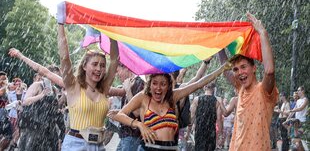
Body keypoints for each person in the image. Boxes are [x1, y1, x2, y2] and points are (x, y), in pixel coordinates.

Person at [111, 60, 230, 150]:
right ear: (150, 84)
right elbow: (119, 114)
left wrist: (222, 69)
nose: (158, 88)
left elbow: (199, 84)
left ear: (168, 86)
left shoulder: (173, 96)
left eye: (163, 84)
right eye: (155, 83)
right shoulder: (143, 97)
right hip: (148, 148)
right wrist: (139, 125)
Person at [218, 12, 279, 151]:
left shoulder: (264, 91)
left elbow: (269, 70)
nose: (240, 72)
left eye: (243, 67)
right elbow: (224, 66)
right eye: (236, 69)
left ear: (254, 68)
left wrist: (262, 33)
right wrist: (219, 45)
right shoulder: (240, 89)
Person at [58, 23, 119, 151]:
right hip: (75, 145)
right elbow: (64, 58)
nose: (99, 69)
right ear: (84, 66)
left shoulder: (104, 88)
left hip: (99, 146)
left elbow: (115, 59)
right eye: (95, 64)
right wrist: (60, 25)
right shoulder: (73, 86)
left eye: (102, 65)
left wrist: (112, 31)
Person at [17, 66, 66, 151]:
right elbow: (25, 101)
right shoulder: (37, 85)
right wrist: (41, 95)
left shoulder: (54, 90)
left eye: (58, 76)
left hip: (48, 128)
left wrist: (64, 96)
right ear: (47, 75)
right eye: (54, 76)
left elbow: (54, 107)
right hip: (33, 127)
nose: (56, 79)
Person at [190, 82, 222, 151]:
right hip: (211, 131)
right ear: (213, 89)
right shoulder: (217, 101)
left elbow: (192, 117)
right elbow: (219, 119)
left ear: (204, 87)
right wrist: (220, 135)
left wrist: (188, 131)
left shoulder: (196, 99)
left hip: (199, 130)